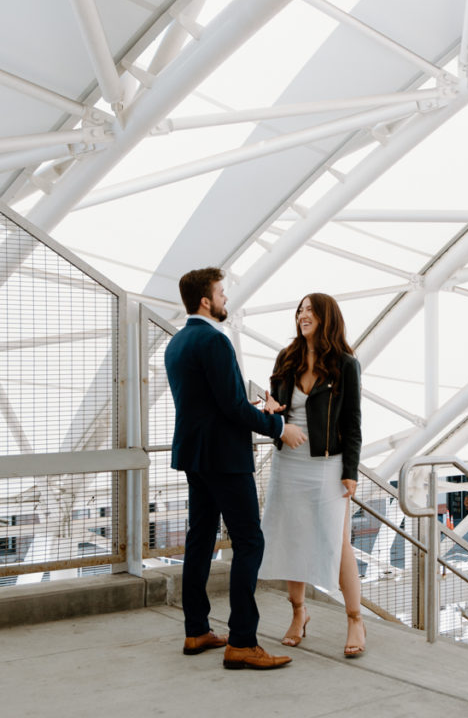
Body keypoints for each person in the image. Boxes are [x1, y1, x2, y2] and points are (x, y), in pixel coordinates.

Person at [164, 267, 306, 670]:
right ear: (206, 300)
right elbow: (230, 408)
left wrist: (257, 404)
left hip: (195, 456)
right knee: (249, 542)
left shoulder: (177, 343)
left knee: (200, 538)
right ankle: (242, 641)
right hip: (225, 459)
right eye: (222, 293)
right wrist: (279, 426)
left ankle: (196, 630)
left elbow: (212, 400)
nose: (226, 300)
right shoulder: (214, 339)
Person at [259, 293, 365, 658]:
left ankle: (354, 619)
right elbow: (276, 409)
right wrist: (272, 411)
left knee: (338, 543)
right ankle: (299, 613)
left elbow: (352, 423)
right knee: (292, 537)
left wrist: (350, 471)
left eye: (310, 311)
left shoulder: (345, 365)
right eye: (300, 310)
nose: (303, 316)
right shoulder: (286, 359)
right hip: (289, 462)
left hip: (326, 464)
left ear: (326, 317)